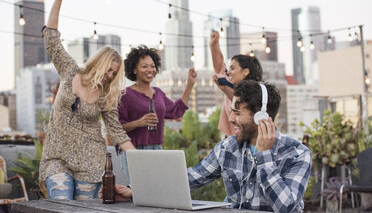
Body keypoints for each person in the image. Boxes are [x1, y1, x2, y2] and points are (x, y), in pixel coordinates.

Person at [107, 80, 312, 212]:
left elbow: (285, 207)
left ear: (262, 117)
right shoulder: (227, 148)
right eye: (231, 111)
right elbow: (189, 178)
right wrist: (135, 189)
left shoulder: (297, 154)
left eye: (238, 113)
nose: (230, 119)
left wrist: (265, 155)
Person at [39, 0, 135, 200]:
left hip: (90, 163)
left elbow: (116, 131)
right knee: (62, 204)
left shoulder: (106, 96)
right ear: (99, 63)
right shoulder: (70, 70)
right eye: (109, 70)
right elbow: (52, 40)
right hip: (57, 157)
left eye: (114, 73)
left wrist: (141, 160)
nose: (110, 76)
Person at [117, 45, 196, 176]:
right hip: (134, 150)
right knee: (138, 192)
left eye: (152, 66)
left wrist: (189, 85)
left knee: (154, 191)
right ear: (134, 69)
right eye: (144, 66)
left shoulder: (158, 93)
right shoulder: (124, 95)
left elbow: (176, 111)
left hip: (157, 149)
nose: (150, 70)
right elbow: (117, 128)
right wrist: (138, 123)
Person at [209, 31, 263, 136]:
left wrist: (225, 89)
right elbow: (219, 67)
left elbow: (241, 103)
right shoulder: (228, 83)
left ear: (245, 72)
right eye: (229, 68)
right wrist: (213, 44)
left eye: (233, 68)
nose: (228, 72)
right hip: (231, 138)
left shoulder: (256, 92)